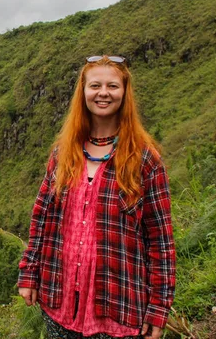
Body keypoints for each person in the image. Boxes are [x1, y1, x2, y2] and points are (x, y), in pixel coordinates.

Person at [17, 55, 176, 339]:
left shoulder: (144, 159)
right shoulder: (64, 153)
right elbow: (41, 217)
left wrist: (159, 307)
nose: (103, 93)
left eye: (112, 86)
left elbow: (160, 240)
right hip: (59, 301)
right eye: (95, 85)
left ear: (124, 93)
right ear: (84, 92)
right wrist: (29, 273)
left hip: (118, 306)